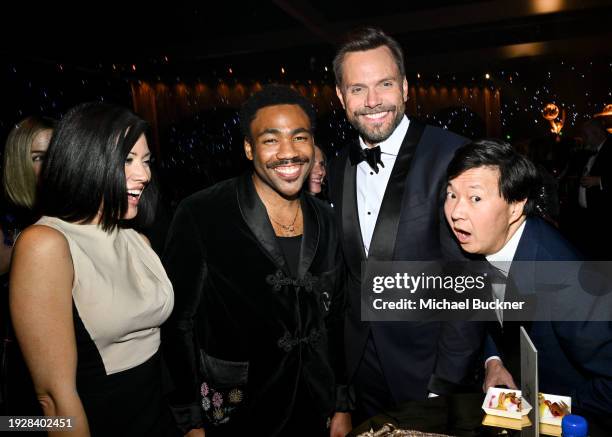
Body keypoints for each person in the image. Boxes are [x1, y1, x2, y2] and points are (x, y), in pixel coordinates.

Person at [162, 84, 350, 437]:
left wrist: (340, 402)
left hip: (313, 403)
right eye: (270, 140)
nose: (288, 153)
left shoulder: (325, 218)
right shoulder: (202, 213)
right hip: (238, 409)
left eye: (299, 137)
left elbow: (336, 317)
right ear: (249, 148)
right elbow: (178, 324)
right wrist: (189, 420)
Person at [328, 26, 484, 422]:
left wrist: (444, 385)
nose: (373, 101)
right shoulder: (337, 165)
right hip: (364, 373)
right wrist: (344, 390)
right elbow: (349, 279)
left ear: (405, 88)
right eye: (358, 89)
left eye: (384, 84)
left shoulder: (454, 156)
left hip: (429, 370)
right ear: (341, 97)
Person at [9, 102, 174, 436]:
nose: (145, 175)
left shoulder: (137, 238)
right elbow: (53, 399)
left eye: (145, 161)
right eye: (127, 160)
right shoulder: (45, 242)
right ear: (84, 159)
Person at [444, 138, 612, 417]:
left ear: (516, 205)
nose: (456, 213)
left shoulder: (568, 279)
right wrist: (493, 361)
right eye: (451, 195)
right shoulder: (477, 242)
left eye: (475, 198)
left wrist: (543, 412)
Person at [1, 115, 55, 416]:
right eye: (38, 157)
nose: (50, 167)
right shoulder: (9, 221)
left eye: (55, 156)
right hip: (21, 363)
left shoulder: (70, 216)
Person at [576, 118, 612, 259]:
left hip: (605, 219)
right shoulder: (593, 152)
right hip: (592, 217)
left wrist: (600, 181)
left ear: (597, 133)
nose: (584, 139)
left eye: (586, 135)